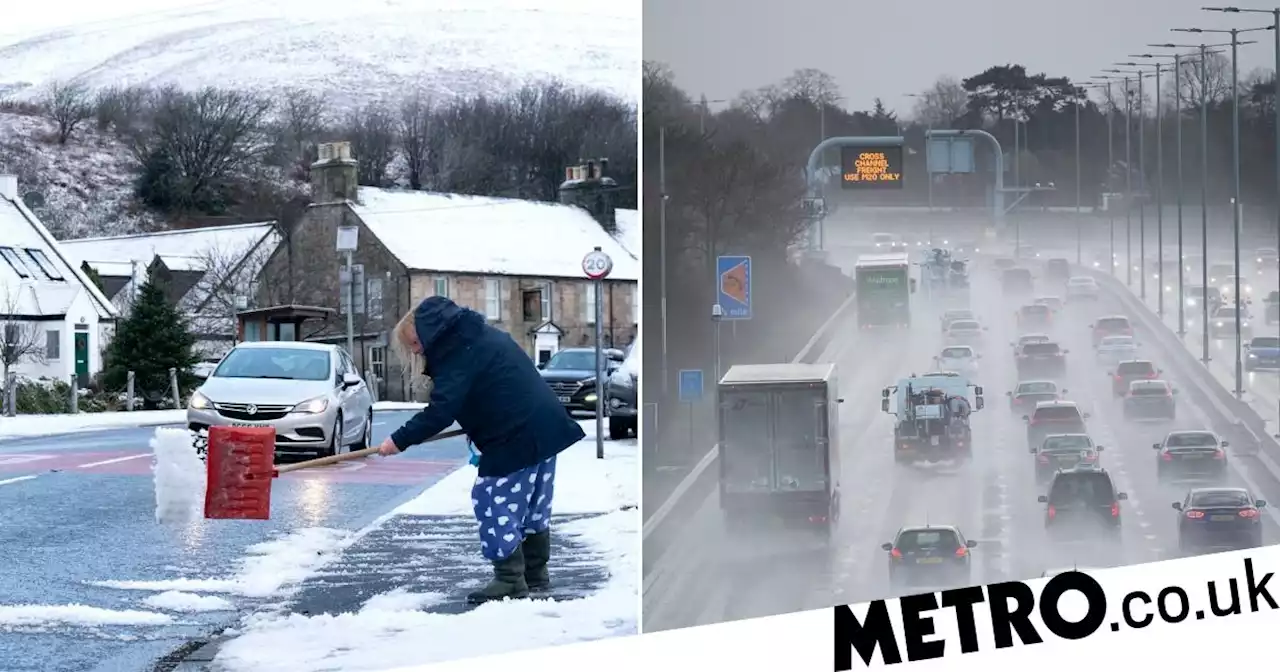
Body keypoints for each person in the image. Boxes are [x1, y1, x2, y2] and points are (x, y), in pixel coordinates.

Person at [378, 296, 586, 604]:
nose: (415, 351)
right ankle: (534, 574)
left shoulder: (455, 354)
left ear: (430, 332)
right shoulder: (478, 336)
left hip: (516, 434)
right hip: (544, 426)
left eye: (415, 343)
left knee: (492, 500)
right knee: (532, 505)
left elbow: (441, 411)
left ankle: (510, 579)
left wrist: (398, 440)